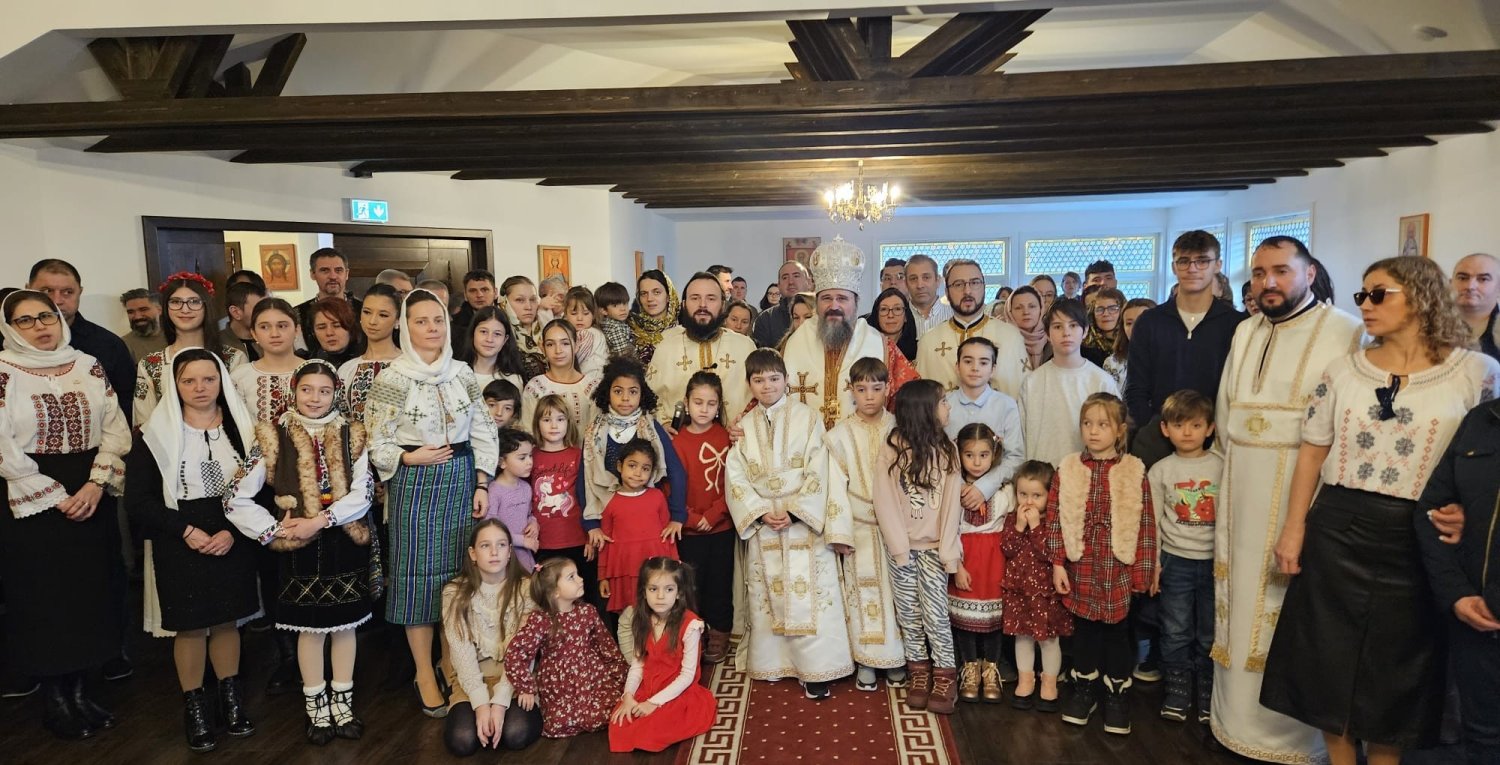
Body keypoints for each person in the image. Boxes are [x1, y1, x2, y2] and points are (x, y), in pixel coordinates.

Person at [1261, 256, 1500, 764]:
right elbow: (1313, 451)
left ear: (1420, 297)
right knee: (1328, 665)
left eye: (1378, 294)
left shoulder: (1477, 373)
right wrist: (1293, 528)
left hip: (1419, 535)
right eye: (1361, 295)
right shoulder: (1342, 371)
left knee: (1397, 673)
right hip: (1339, 526)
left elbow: (1487, 463)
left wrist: (1466, 511)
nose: (1365, 306)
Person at [1209, 236, 1362, 761]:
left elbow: (1348, 424)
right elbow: (1227, 410)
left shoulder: (1346, 331)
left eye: (1280, 271)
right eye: (1258, 273)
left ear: (1310, 272)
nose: (1267, 283)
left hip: (1304, 495)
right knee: (1238, 601)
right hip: (1239, 489)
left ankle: (1294, 739)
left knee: (1292, 608)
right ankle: (1232, 723)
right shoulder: (1245, 330)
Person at [225, 359, 377, 746]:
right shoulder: (272, 436)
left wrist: (321, 520)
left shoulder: (353, 433)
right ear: (294, 391)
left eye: (324, 391)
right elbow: (234, 497)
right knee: (310, 629)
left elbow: (363, 492)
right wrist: (273, 529)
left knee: (345, 626)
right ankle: (316, 705)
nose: (315, 398)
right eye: (307, 389)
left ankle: (343, 702)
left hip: (343, 540)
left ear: (335, 394)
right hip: (298, 547)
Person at [0, 290, 129, 740]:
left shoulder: (87, 364)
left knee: (88, 594)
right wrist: (55, 496)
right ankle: (55, 699)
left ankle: (79, 693)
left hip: (90, 489)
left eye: (46, 316)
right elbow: (4, 446)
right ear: (9, 328)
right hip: (30, 496)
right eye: (26, 320)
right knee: (45, 599)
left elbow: (115, 428)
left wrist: (95, 484)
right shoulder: (3, 371)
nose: (40, 326)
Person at [365, 288, 500, 718]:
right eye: (421, 321)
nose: (432, 328)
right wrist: (408, 458)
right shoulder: (392, 378)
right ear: (406, 327)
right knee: (417, 578)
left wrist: (482, 483)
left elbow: (483, 429)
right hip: (414, 482)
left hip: (460, 478)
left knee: (456, 577)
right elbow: (376, 439)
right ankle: (424, 671)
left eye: (438, 320)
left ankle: (451, 662)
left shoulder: (461, 372)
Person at [130, 347, 259, 751]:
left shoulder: (243, 429)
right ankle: (196, 707)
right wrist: (184, 530)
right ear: (175, 384)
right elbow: (138, 500)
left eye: (208, 379)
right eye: (188, 380)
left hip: (232, 531)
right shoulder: (154, 434)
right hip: (178, 536)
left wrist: (232, 532)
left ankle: (230, 700)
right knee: (190, 625)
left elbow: (262, 489)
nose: (199, 387)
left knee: (227, 621)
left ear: (221, 382)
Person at [727, 348, 852, 698]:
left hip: (803, 521)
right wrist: (758, 511)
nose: (767, 386)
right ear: (749, 384)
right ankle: (773, 663)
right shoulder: (744, 426)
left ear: (786, 380)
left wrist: (796, 510)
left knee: (811, 594)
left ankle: (817, 670)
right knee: (770, 595)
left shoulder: (808, 418)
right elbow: (735, 473)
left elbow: (821, 467)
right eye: (758, 380)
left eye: (773, 378)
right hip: (765, 522)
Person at [1045, 393, 1157, 736]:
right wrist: (1057, 563)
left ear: (1120, 430)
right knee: (1085, 632)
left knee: (1117, 633)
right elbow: (1055, 519)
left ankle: (1116, 693)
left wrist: (1142, 572)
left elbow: (1146, 525)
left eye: (1102, 424)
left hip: (1117, 569)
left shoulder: (1134, 471)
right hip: (1081, 567)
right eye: (1087, 423)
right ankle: (1084, 689)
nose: (1093, 431)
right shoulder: (1068, 468)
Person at [1415, 398, 1500, 765]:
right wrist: (1456, 594)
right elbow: (1430, 512)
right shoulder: (1483, 419)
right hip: (1477, 623)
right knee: (1484, 743)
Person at [872, 379, 963, 714]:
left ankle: (945, 676)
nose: (948, 407)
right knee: (909, 614)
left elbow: (952, 507)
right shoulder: (893, 449)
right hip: (903, 549)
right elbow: (884, 501)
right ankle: (919, 672)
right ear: (925, 409)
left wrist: (948, 552)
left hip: (935, 549)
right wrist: (899, 549)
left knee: (936, 615)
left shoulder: (947, 449)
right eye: (943, 401)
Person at [1125, 230, 1244, 468]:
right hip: (1157, 439)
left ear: (1217, 265)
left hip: (1215, 441)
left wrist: (1215, 431)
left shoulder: (1236, 324)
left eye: (1202, 261)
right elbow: (1136, 386)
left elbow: (1238, 388)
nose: (1192, 268)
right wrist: (1152, 426)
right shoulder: (1150, 322)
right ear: (1173, 266)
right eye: (1184, 261)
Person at [824, 358, 907, 690]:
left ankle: (898, 658)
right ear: (851, 391)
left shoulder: (900, 428)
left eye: (876, 388)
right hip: (859, 526)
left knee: (898, 593)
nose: (869, 396)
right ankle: (866, 660)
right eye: (861, 389)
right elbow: (834, 487)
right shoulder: (839, 436)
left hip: (898, 527)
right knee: (862, 593)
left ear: (888, 388)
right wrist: (839, 532)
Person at [783, 238, 916, 430]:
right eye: (826, 298)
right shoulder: (794, 342)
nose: (834, 306)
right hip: (805, 444)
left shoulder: (880, 344)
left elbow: (910, 395)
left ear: (856, 303)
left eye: (842, 298)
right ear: (816, 304)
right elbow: (768, 389)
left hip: (862, 442)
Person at [1146, 390, 1221, 725]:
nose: (1187, 432)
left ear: (1210, 428)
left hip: (1214, 562)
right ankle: (1177, 689)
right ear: (1165, 429)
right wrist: (1154, 565)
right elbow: (1152, 523)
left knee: (1209, 631)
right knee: (1175, 629)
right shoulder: (1161, 471)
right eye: (1179, 425)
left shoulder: (1221, 466)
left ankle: (1207, 691)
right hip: (1175, 560)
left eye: (1195, 425)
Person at [440, 521, 542, 756]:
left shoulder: (527, 589)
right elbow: (461, 652)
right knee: (462, 740)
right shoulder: (454, 592)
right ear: (473, 553)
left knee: (515, 733)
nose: (494, 552)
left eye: (501, 545)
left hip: (516, 677)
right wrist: (481, 704)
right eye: (485, 545)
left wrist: (500, 702)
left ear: (510, 552)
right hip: (472, 676)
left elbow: (523, 652)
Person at [581, 357, 688, 574]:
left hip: (646, 518)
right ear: (607, 393)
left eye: (633, 392)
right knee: (618, 574)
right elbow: (585, 480)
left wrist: (677, 517)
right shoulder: (594, 432)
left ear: (642, 394)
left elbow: (676, 472)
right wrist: (592, 525)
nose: (625, 398)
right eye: (618, 391)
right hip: (610, 520)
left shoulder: (652, 428)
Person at [503, 558, 629, 738]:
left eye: (577, 574)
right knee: (560, 722)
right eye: (571, 577)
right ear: (554, 592)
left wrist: (623, 679)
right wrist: (525, 687)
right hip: (560, 686)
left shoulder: (588, 612)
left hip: (591, 678)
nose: (580, 579)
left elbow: (607, 647)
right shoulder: (541, 620)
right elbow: (516, 653)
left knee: (611, 712)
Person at [608, 557, 717, 753]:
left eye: (668, 589)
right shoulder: (641, 620)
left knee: (650, 733)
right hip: (649, 687)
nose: (660, 596)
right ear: (644, 592)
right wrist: (628, 696)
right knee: (620, 724)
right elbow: (638, 665)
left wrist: (653, 703)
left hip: (678, 691)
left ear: (679, 593)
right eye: (653, 589)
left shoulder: (691, 625)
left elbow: (687, 676)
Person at [669, 372, 735, 663]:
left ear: (719, 406)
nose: (704, 409)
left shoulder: (727, 437)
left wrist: (715, 513)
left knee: (719, 583)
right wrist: (693, 518)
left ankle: (719, 633)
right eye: (698, 402)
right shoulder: (676, 441)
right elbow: (670, 487)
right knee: (691, 585)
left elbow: (735, 481)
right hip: (689, 529)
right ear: (686, 403)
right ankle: (694, 634)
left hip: (721, 527)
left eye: (711, 403)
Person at [28, 260, 136, 431]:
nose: (56, 300)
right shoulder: (6, 345)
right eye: (46, 291)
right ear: (28, 291)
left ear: (80, 292)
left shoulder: (109, 345)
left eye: (67, 292)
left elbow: (126, 408)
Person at [947, 423, 1013, 704]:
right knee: (966, 622)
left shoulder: (1005, 491)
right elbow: (950, 530)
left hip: (994, 562)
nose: (976, 462)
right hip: (967, 560)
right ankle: (970, 669)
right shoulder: (953, 489)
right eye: (969, 455)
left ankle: (990, 670)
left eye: (984, 455)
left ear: (994, 454)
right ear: (959, 455)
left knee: (993, 622)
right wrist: (957, 567)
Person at [1002, 460, 1072, 713]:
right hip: (1020, 592)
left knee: (1049, 640)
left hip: (1045, 594)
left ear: (1049, 495)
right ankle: (1025, 681)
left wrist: (1034, 527)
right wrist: (1020, 526)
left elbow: (1050, 554)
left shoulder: (1053, 522)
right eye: (1023, 494)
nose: (1028, 501)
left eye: (1036, 495)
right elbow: (1007, 548)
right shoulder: (1013, 519)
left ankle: (1049, 683)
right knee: (1023, 637)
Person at [134, 273, 247, 426]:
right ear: (165, 308)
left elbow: (242, 414)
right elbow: (143, 422)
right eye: (176, 302)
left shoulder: (233, 358)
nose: (185, 309)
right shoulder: (151, 364)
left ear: (206, 306)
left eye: (194, 302)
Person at [646, 272, 756, 430]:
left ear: (723, 305)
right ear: (684, 304)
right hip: (678, 440)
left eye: (711, 298)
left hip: (736, 440)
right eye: (695, 298)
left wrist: (745, 425)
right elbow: (649, 398)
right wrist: (662, 424)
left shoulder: (745, 347)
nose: (702, 305)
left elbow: (760, 398)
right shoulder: (666, 347)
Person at [1019, 300, 1121, 465]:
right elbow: (1021, 436)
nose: (1066, 333)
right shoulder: (1032, 382)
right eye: (1057, 327)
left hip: (1089, 473)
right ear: (1047, 334)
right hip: (1042, 474)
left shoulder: (1102, 381)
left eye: (1073, 326)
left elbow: (1116, 434)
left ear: (1085, 331)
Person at [943, 337, 1025, 528]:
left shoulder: (1006, 405)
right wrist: (960, 486)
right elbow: (938, 455)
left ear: (993, 369)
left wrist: (984, 486)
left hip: (997, 497)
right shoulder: (944, 405)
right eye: (968, 361)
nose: (975, 368)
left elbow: (1015, 457)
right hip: (951, 497)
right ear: (957, 366)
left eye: (983, 362)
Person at [915, 259, 1026, 398]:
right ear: (947, 292)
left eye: (974, 283)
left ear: (984, 287)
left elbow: (1023, 397)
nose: (967, 291)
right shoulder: (929, 342)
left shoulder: (1011, 336)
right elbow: (921, 402)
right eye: (958, 284)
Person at [529, 394, 598, 609]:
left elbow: (588, 495)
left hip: (576, 539)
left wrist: (590, 535)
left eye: (560, 419)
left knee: (584, 598)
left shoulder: (577, 455)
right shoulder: (531, 456)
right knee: (549, 600)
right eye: (547, 419)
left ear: (568, 423)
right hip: (544, 542)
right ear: (537, 423)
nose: (554, 425)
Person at [597, 439, 679, 617]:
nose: (638, 473)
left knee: (657, 616)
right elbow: (605, 542)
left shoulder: (657, 496)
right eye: (632, 465)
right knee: (629, 618)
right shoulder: (609, 501)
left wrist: (675, 566)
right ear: (620, 466)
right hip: (624, 570)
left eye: (645, 468)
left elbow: (668, 535)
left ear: (652, 472)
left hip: (656, 571)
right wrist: (603, 576)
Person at [520, 320, 601, 437]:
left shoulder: (593, 386)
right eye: (550, 344)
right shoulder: (535, 387)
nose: (558, 350)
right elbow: (529, 432)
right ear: (542, 347)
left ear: (577, 345)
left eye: (565, 343)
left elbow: (597, 434)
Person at [338, 283, 403, 424]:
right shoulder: (346, 370)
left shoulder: (408, 366)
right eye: (367, 312)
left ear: (398, 320)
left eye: (383, 315)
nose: (372, 321)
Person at [230, 298, 302, 424]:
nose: (274, 334)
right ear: (254, 333)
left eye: (282, 326)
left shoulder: (317, 371)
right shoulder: (240, 377)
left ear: (297, 330)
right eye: (264, 327)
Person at [482, 428, 539, 570]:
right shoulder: (494, 491)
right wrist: (522, 541)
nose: (529, 462)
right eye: (522, 458)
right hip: (503, 557)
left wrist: (533, 523)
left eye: (530, 456)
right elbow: (491, 529)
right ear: (502, 462)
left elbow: (529, 514)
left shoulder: (526, 487)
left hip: (525, 555)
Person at [295, 248, 362, 350]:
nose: (333, 276)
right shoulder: (298, 314)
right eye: (325, 270)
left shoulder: (363, 311)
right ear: (313, 274)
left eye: (338, 270)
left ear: (347, 274)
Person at [459, 305, 527, 393]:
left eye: (497, 334)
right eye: (483, 332)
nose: (489, 339)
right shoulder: (457, 375)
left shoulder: (513, 380)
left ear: (505, 339)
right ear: (473, 334)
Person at [751, 260, 810, 348]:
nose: (791, 282)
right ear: (779, 285)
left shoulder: (821, 314)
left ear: (808, 282)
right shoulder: (765, 319)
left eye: (796, 276)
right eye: (785, 278)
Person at [1452, 252, 1499, 361]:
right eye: (1463, 278)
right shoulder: (1429, 326)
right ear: (1450, 283)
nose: (1470, 286)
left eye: (1483, 279)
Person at [628, 270, 680, 367]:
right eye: (644, 293)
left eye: (656, 292)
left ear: (669, 296)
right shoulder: (629, 329)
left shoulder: (683, 329)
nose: (649, 299)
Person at [499, 276, 546, 380]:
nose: (528, 307)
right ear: (504, 303)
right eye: (520, 300)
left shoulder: (548, 330)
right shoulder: (499, 336)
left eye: (533, 299)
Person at [1105, 298, 1156, 390]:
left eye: (1142, 322)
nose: (1135, 328)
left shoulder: (1171, 359)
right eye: (1129, 323)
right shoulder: (1112, 363)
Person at [563, 287, 609, 376]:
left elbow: (570, 361)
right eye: (574, 313)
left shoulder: (585, 333)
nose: (580, 318)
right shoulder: (595, 331)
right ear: (565, 314)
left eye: (586, 313)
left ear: (593, 314)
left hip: (592, 379)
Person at [310, 297, 365, 371]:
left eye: (337, 326)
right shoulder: (308, 365)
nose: (329, 333)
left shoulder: (366, 362)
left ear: (350, 328)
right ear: (313, 332)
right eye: (321, 327)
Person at [903, 254, 952, 335]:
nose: (920, 285)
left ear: (937, 280)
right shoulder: (897, 318)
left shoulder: (954, 316)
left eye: (926, 277)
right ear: (906, 283)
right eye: (913, 279)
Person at [220, 281, 268, 362]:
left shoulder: (270, 338)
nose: (266, 314)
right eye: (258, 309)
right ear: (235, 312)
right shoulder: (217, 344)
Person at [866, 287, 917, 363]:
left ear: (906, 316)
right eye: (884, 309)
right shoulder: (865, 348)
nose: (890, 315)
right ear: (877, 316)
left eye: (897, 309)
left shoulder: (918, 350)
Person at [1005, 286, 1049, 371]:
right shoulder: (1001, 343)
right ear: (1009, 312)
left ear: (1041, 309)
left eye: (1032, 306)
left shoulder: (1053, 340)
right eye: (1018, 308)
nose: (1026, 312)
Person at [118, 287, 167, 364]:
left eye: (143, 309)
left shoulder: (176, 336)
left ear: (159, 310)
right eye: (131, 312)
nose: (137, 317)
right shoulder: (123, 345)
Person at [1082, 288, 1126, 368]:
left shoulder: (1131, 344)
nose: (1105, 314)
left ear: (1122, 312)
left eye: (1113, 309)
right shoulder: (1083, 347)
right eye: (1100, 309)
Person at [452, 270, 497, 348]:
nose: (479, 295)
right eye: (473, 291)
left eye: (484, 290)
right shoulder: (454, 326)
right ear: (465, 295)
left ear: (495, 292)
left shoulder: (509, 319)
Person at [594, 282, 635, 359]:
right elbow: (624, 354)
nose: (623, 309)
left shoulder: (605, 323)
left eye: (625, 303)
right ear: (604, 310)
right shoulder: (616, 327)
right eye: (615, 305)